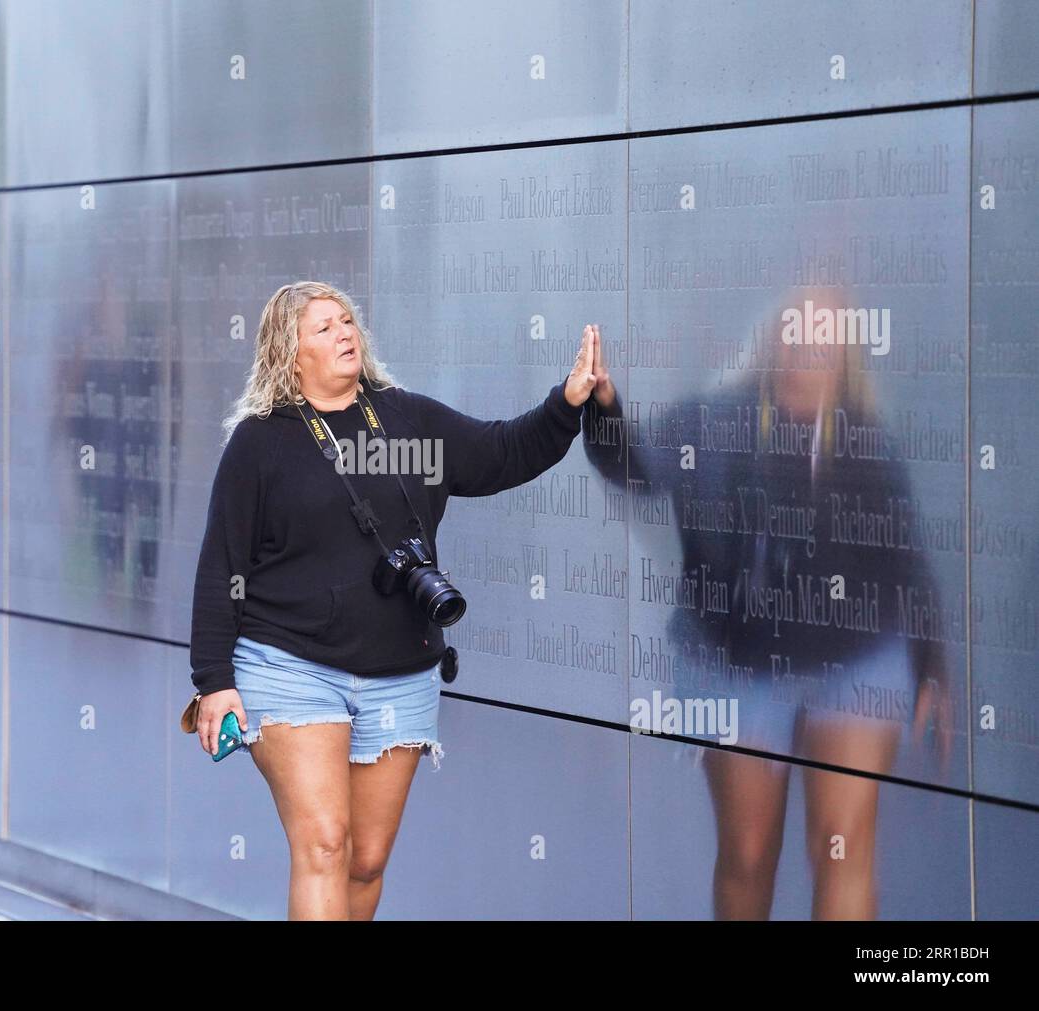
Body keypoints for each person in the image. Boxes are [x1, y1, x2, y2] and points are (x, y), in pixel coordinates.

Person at [190, 280, 601, 919]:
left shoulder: (404, 417)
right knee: (325, 844)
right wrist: (215, 680)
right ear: (288, 353)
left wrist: (567, 402)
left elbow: (499, 453)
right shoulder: (261, 443)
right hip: (289, 668)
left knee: (366, 859)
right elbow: (221, 566)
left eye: (346, 320)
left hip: (400, 674)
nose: (343, 332)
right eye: (322, 327)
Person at [582, 287, 954, 918]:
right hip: (738, 663)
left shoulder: (865, 440)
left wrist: (931, 663)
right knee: (749, 853)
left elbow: (906, 555)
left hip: (857, 660)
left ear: (846, 351)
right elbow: (632, 467)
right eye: (798, 324)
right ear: (772, 339)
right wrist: (602, 406)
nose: (809, 339)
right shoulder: (711, 422)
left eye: (826, 329)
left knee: (841, 849)